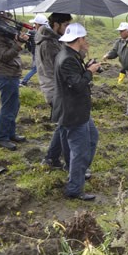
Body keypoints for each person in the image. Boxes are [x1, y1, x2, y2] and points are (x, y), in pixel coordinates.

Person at [53, 23, 100, 201]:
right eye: (85, 38)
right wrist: (89, 71)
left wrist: (85, 67)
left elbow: (73, 77)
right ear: (79, 39)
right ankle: (74, 188)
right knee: (80, 150)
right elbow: (77, 84)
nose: (86, 41)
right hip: (74, 111)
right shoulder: (67, 59)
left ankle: (75, 172)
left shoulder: (69, 55)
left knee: (91, 138)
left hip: (75, 110)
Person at [0, 13, 30, 150]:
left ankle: (10, 133)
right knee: (8, 108)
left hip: (11, 75)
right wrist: (18, 44)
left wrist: (18, 37)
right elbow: (4, 56)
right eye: (4, 19)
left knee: (14, 106)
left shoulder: (3, 35)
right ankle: (1, 137)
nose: (7, 22)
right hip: (5, 76)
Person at [35, 12, 72, 168]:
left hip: (54, 88)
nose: (68, 28)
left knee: (63, 125)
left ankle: (51, 158)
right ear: (56, 25)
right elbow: (61, 67)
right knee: (67, 127)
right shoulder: (49, 43)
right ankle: (69, 163)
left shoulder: (52, 39)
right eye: (66, 25)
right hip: (55, 90)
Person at [20, 16, 44, 87]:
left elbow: (25, 38)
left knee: (40, 68)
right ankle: (24, 81)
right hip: (37, 53)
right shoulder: (37, 32)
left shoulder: (31, 32)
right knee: (35, 69)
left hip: (35, 52)